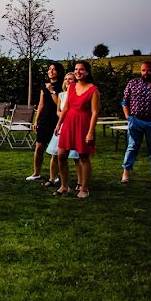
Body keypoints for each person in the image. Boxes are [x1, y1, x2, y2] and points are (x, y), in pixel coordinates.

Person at [55, 61, 99, 199]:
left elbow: (94, 113)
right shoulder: (72, 86)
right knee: (61, 155)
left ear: (87, 72)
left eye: (81, 69)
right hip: (68, 123)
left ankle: (84, 188)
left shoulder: (93, 90)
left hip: (83, 125)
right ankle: (64, 185)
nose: (78, 72)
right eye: (76, 69)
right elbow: (66, 107)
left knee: (83, 157)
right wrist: (58, 124)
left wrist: (90, 132)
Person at [27, 63, 64, 181]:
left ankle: (54, 176)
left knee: (55, 150)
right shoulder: (44, 86)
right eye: (49, 69)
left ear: (58, 72)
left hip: (56, 119)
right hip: (44, 119)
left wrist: (52, 90)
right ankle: (36, 173)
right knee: (39, 147)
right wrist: (36, 120)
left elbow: (59, 102)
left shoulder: (62, 86)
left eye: (54, 69)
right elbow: (41, 103)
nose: (51, 71)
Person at [42, 73, 79, 187]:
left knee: (77, 157)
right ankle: (53, 178)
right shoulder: (62, 95)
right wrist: (62, 115)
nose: (67, 81)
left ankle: (80, 182)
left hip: (74, 126)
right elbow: (58, 110)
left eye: (70, 79)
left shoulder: (78, 94)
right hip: (62, 125)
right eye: (66, 79)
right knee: (55, 154)